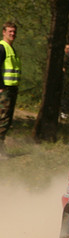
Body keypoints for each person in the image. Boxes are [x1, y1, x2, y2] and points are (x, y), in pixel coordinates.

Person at [0, 21, 20, 159]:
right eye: (9, 31)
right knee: (2, 119)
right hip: (4, 89)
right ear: (4, 32)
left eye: (14, 31)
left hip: (11, 88)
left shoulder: (11, 48)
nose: (12, 34)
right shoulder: (2, 47)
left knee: (6, 119)